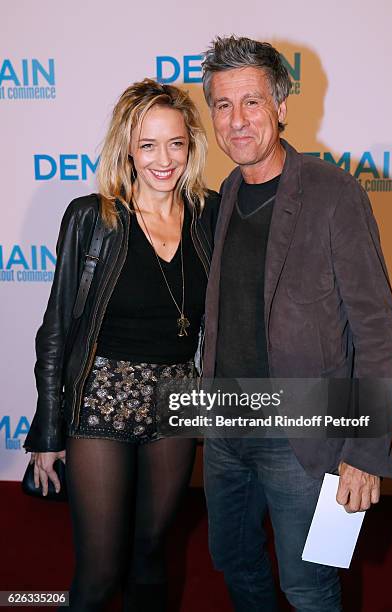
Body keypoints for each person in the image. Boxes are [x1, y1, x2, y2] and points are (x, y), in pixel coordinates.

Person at [201, 36, 392, 611]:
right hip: (225, 433)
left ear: (282, 108)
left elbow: (378, 330)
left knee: (309, 587)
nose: (237, 121)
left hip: (305, 439)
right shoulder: (226, 197)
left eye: (252, 102)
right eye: (222, 105)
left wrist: (365, 450)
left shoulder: (335, 194)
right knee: (235, 564)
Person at [24, 78, 219, 611]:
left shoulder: (211, 215)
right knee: (100, 570)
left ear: (191, 144)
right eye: (148, 144)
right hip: (103, 398)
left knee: (153, 555)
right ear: (128, 148)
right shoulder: (93, 217)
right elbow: (56, 329)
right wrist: (47, 429)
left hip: (176, 400)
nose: (163, 159)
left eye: (174, 143)